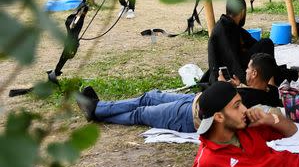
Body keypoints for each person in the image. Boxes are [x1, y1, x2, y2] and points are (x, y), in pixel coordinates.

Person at [76, 53, 282, 131]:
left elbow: (221, 108)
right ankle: (98, 107)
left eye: (248, 68)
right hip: (192, 101)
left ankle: (97, 110)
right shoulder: (271, 93)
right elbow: (266, 85)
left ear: (254, 73)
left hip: (189, 116)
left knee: (140, 113)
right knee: (149, 96)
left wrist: (223, 85)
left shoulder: (244, 98)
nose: (245, 70)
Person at [207, 0, 275, 84]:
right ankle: (270, 81)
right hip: (231, 70)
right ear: (242, 12)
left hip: (239, 63)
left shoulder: (230, 25)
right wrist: (243, 81)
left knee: (264, 47)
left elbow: (252, 44)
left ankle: (270, 76)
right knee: (266, 43)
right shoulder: (223, 29)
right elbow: (232, 59)